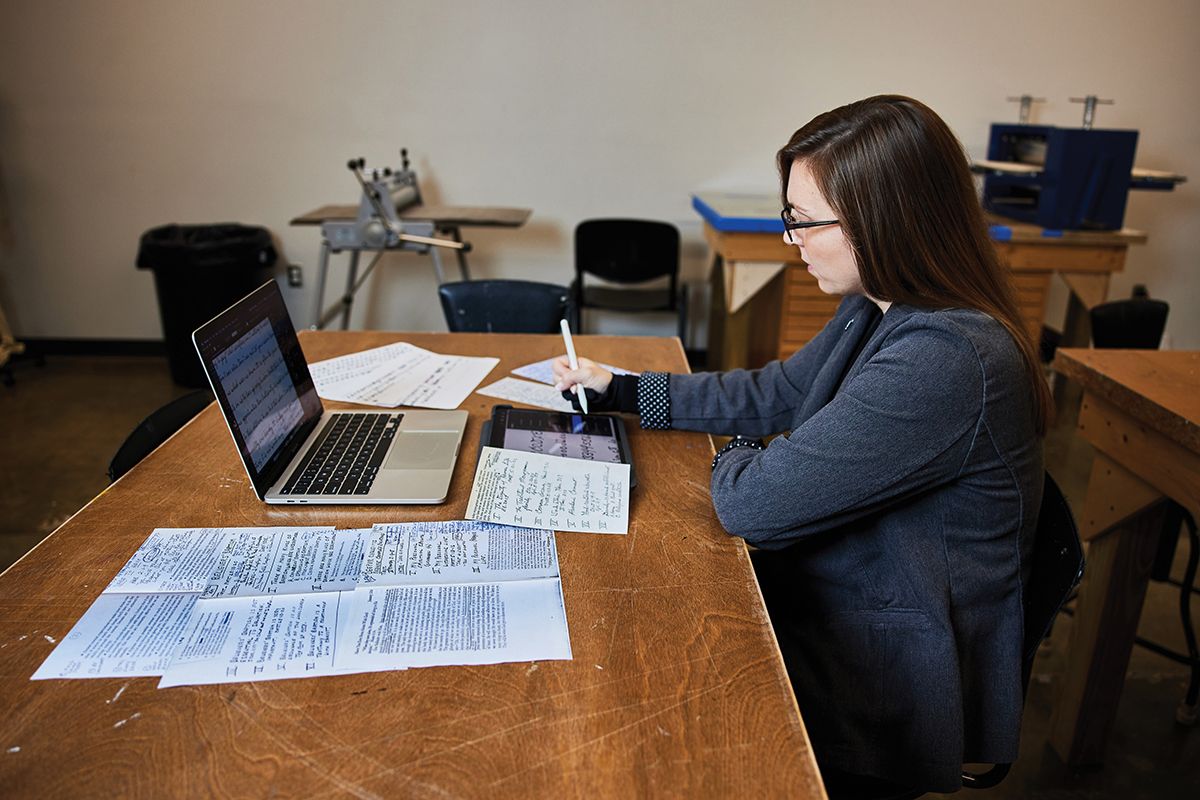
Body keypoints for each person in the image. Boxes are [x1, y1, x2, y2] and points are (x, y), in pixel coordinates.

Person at [553, 95, 1051, 797]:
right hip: (843, 589)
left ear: (884, 219)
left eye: (804, 221)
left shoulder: (945, 357)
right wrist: (627, 392)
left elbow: (752, 504)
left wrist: (739, 451)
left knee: (635, 668)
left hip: (882, 666)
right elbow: (776, 392)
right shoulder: (877, 306)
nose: (793, 240)